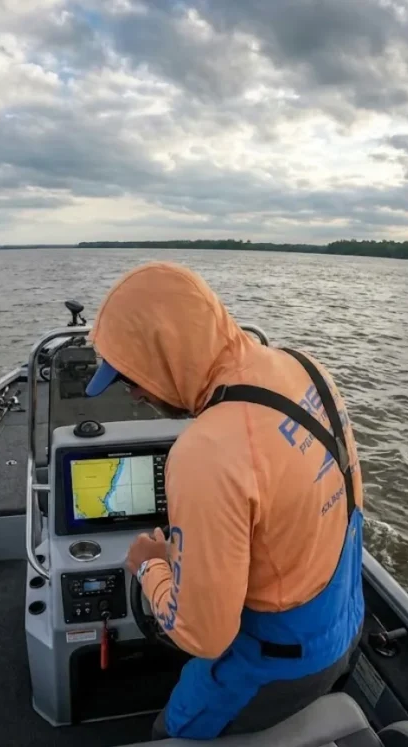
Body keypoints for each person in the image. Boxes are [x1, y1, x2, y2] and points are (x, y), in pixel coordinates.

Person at [85, 261, 365, 740]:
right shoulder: (305, 366)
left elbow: (203, 635)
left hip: (273, 665)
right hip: (346, 624)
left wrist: (149, 567)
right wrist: (182, 554)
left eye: (129, 378)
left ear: (164, 351)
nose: (132, 396)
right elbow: (289, 514)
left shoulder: (206, 452)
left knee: (167, 730)